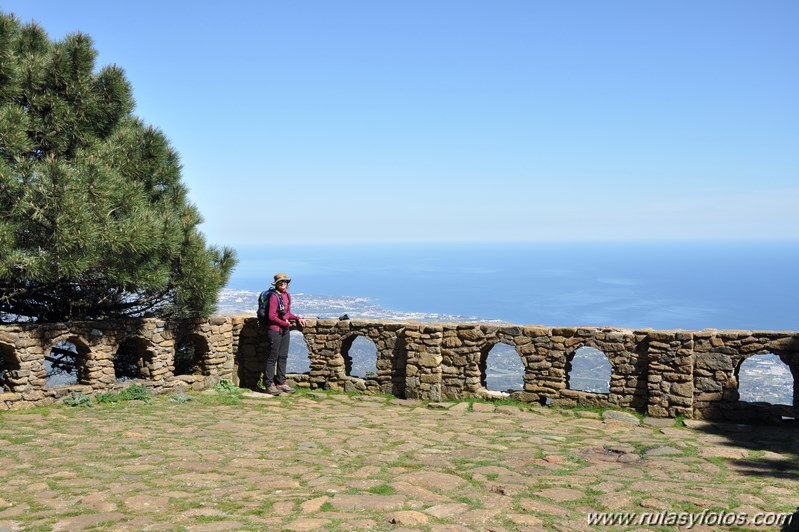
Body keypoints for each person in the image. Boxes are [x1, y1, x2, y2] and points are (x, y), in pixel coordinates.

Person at [261, 273, 307, 395]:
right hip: (274, 329)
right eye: (281, 282)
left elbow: (287, 314)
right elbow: (271, 316)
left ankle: (281, 383)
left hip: (284, 329)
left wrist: (297, 318)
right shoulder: (274, 297)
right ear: (276, 284)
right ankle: (269, 384)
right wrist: (284, 323)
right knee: (272, 357)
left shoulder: (287, 295)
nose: (283, 284)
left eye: (285, 282)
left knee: (283, 356)